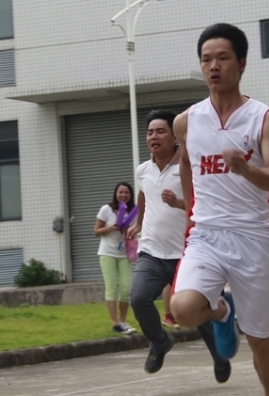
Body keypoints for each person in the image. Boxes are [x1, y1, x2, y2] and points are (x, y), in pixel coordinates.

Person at [171, 23, 269, 396]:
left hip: (252, 239)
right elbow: (187, 166)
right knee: (183, 309)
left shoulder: (263, 119)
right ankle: (222, 312)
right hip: (206, 234)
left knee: (259, 340)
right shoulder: (186, 122)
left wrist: (245, 168)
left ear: (242, 63)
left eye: (222, 58)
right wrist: (191, 210)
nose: (213, 67)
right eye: (206, 60)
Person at [127, 109, 228, 379]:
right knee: (138, 299)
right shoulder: (143, 170)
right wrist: (138, 221)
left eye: (160, 131)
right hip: (151, 251)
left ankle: (219, 354)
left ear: (175, 137)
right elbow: (144, 195)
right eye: (149, 132)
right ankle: (160, 342)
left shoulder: (189, 167)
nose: (153, 136)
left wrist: (179, 203)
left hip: (186, 253)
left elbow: (203, 203)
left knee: (195, 310)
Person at [95, 182, 137, 334]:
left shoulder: (133, 212)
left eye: (126, 192)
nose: (123, 195)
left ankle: (123, 320)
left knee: (126, 288)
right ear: (116, 193)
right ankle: (116, 322)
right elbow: (96, 231)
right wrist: (110, 227)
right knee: (112, 287)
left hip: (124, 254)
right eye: (121, 192)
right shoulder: (106, 209)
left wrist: (127, 230)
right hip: (107, 253)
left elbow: (134, 233)